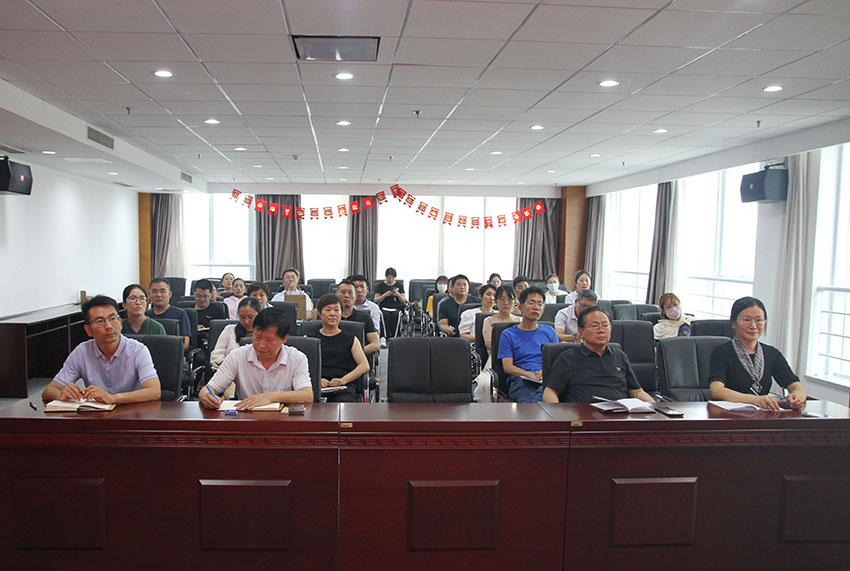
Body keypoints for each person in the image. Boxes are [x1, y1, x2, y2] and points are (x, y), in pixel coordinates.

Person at [42, 295, 161, 404]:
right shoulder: (82, 352)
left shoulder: (138, 350)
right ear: (88, 330)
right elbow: (49, 390)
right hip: (97, 415)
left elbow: (154, 391)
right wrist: (61, 394)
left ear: (120, 323)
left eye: (112, 318)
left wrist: (113, 398)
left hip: (132, 413)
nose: (108, 326)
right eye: (100, 321)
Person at [200, 307, 312, 410]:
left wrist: (269, 397)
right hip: (246, 419)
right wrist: (208, 397)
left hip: (283, 420)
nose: (261, 345)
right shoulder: (237, 356)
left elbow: (307, 395)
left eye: (269, 340)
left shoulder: (297, 358)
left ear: (284, 339)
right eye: (257, 337)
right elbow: (208, 389)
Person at [708, 296, 807, 410]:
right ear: (733, 323)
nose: (753, 326)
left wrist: (798, 395)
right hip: (728, 414)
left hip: (762, 414)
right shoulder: (721, 352)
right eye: (747, 320)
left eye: (759, 320)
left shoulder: (771, 353)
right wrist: (755, 399)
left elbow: (795, 384)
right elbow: (717, 390)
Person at [543, 306, 656, 404]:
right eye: (595, 326)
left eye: (605, 325)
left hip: (619, 414)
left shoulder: (620, 356)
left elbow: (637, 391)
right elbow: (550, 391)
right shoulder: (568, 358)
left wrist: (656, 410)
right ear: (581, 332)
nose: (601, 330)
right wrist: (557, 415)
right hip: (583, 416)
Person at [496, 286, 559, 402]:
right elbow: (508, 367)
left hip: (548, 379)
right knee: (535, 403)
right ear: (521, 307)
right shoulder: (508, 334)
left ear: (543, 309)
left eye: (540, 304)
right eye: (531, 303)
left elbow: (556, 361)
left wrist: (545, 371)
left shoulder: (550, 332)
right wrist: (529, 374)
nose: (536, 307)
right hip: (522, 380)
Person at [308, 293, 370, 403]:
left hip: (344, 388)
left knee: (346, 405)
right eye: (328, 310)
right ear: (319, 313)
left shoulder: (351, 339)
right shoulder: (310, 339)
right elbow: (301, 366)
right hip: (316, 387)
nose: (332, 314)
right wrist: (316, 379)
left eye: (337, 310)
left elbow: (364, 365)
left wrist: (343, 380)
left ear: (341, 313)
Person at [210, 296, 263, 368]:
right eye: (242, 317)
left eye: (251, 317)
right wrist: (229, 367)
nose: (246, 321)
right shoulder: (230, 330)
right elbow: (216, 355)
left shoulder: (266, 333)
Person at [147, 277, 191, 350]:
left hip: (173, 353)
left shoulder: (180, 314)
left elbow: (185, 343)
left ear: (169, 294)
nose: (158, 295)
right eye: (154, 291)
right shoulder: (146, 315)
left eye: (162, 291)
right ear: (149, 294)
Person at [337, 279, 380, 355]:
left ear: (355, 296)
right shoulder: (331, 317)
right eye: (343, 292)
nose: (346, 295)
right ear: (337, 295)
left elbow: (375, 344)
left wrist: (357, 353)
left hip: (359, 357)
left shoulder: (365, 317)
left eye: (350, 293)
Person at [483, 285, 521, 355]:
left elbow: (524, 344)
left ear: (514, 302)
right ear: (495, 301)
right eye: (502, 299)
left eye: (510, 299)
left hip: (518, 356)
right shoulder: (488, 321)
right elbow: (490, 346)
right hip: (495, 356)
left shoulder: (520, 320)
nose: (506, 303)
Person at [374, 267, 406, 338]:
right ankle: (385, 336)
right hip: (384, 307)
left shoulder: (399, 286)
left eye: (392, 278)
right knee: (384, 315)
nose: (391, 280)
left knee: (396, 315)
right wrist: (385, 295)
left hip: (396, 307)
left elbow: (403, 301)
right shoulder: (380, 285)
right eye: (389, 278)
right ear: (386, 277)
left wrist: (397, 294)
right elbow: (376, 300)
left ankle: (395, 337)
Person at [193, 278, 227, 345]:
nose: (202, 299)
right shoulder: (188, 311)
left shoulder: (217, 310)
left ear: (211, 295)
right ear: (194, 293)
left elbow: (222, 331)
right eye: (198, 296)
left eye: (205, 296)